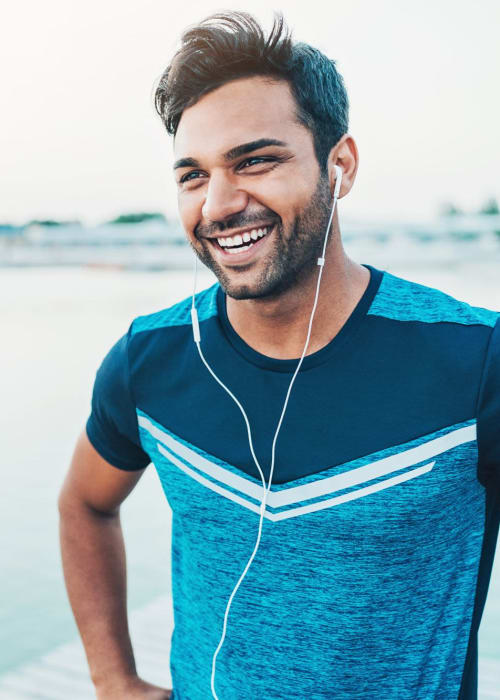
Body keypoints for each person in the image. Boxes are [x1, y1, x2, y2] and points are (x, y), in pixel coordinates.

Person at [58, 11, 500, 700]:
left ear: (340, 166)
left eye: (255, 161)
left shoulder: (476, 358)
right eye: (193, 176)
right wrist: (114, 681)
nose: (220, 204)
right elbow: (85, 505)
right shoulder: (151, 357)